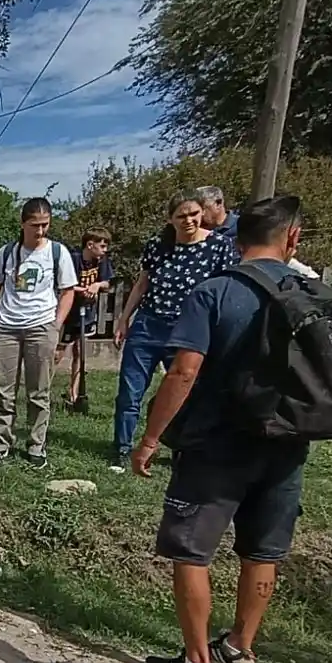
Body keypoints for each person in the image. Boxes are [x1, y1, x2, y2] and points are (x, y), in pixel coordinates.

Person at [129, 196, 313, 663]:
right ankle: (240, 650)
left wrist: (149, 440)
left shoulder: (215, 293)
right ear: (292, 239)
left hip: (218, 444)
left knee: (191, 550)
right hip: (287, 444)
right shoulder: (312, 293)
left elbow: (184, 371)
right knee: (263, 550)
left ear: (233, 238)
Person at [110, 192, 241, 472]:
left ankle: (181, 448)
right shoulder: (158, 245)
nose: (189, 220)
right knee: (129, 393)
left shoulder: (218, 246)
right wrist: (123, 318)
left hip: (188, 330)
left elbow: (225, 290)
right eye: (181, 216)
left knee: (184, 394)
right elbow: (142, 283)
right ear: (170, 219)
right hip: (148, 324)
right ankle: (122, 449)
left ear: (201, 213)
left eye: (193, 213)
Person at [0, 198, 78, 468]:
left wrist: (56, 325)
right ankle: (1, 442)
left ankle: (36, 445)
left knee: (39, 392)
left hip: (41, 327)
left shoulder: (58, 253)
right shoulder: (7, 253)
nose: (40, 231)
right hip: (7, 328)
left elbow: (68, 291)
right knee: (4, 391)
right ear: (22, 223)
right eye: (34, 225)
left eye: (45, 225)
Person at [54, 227, 115, 413]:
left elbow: (107, 282)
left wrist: (97, 285)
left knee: (80, 353)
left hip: (87, 312)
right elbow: (64, 284)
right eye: (102, 246)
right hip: (68, 312)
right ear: (90, 245)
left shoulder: (101, 261)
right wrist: (83, 290)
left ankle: (74, 394)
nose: (105, 250)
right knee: (58, 353)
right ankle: (42, 389)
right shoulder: (73, 260)